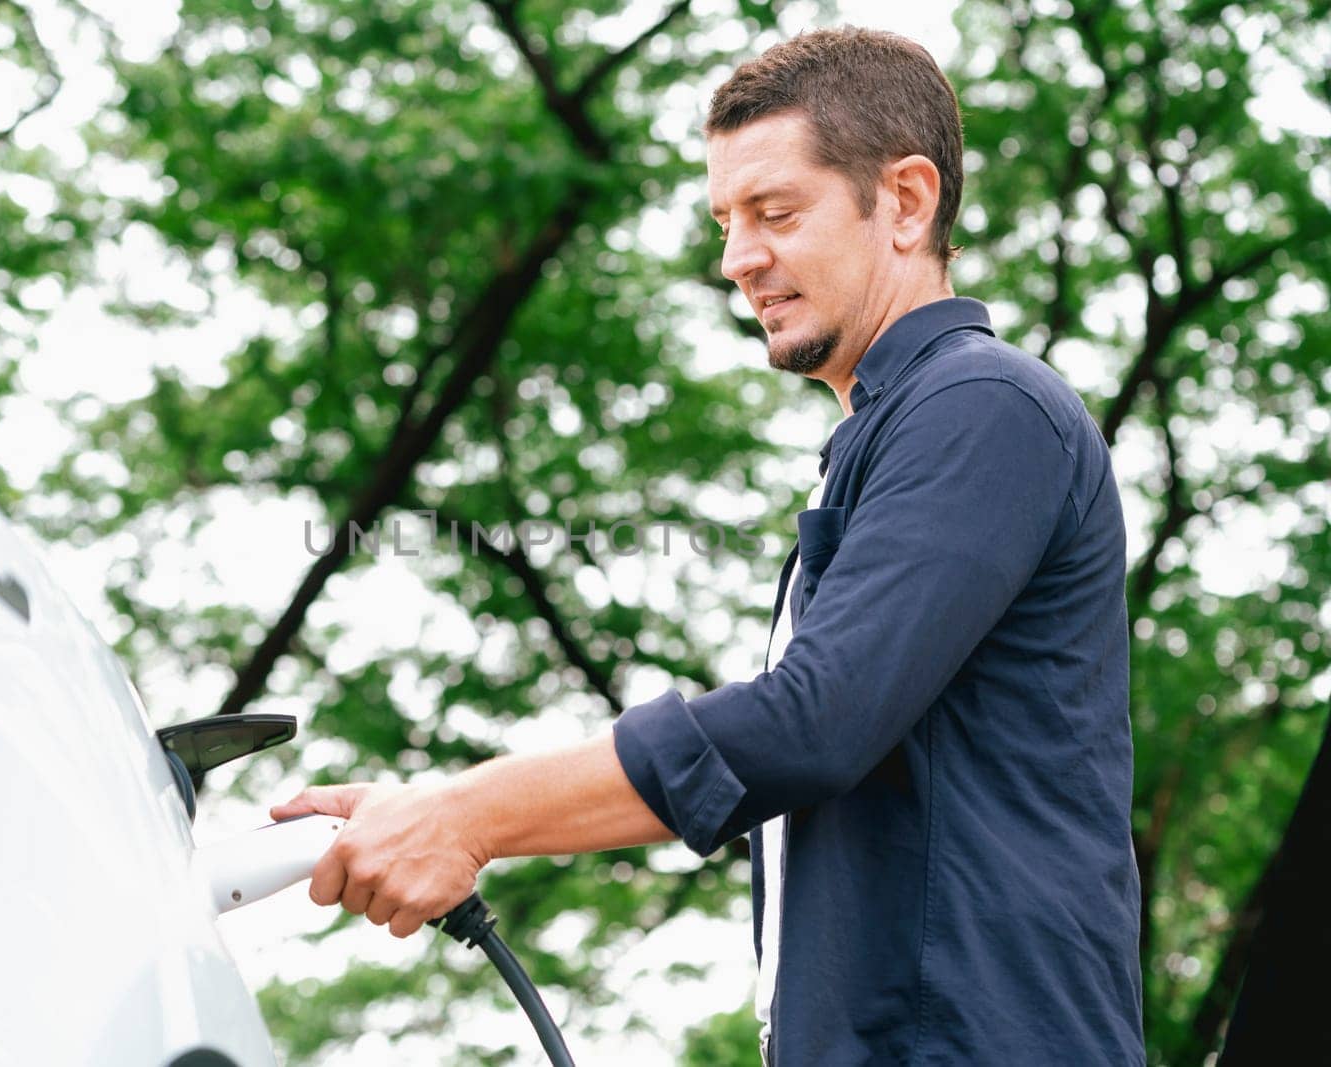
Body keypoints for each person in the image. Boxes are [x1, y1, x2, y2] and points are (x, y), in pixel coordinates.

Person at [269, 26, 1144, 1065]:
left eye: (775, 213)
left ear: (906, 202)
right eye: (726, 222)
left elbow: (809, 723)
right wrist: (437, 812)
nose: (738, 260)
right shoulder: (886, 436)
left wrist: (466, 813)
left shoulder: (982, 406)